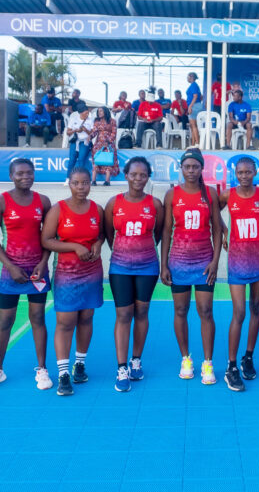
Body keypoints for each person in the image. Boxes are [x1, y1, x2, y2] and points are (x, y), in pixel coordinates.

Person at [0, 159, 52, 391]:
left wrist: (43, 262)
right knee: (5, 320)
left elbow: (49, 236)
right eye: (20, 173)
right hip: (9, 271)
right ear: (11, 176)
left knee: (38, 318)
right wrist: (10, 266)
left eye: (29, 173)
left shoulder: (43, 201)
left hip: (37, 271)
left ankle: (42, 369)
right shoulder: (0, 201)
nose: (25, 177)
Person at [160, 148, 222, 385]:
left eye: (195, 166)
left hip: (204, 263)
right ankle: (186, 359)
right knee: (180, 311)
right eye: (187, 167)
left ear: (201, 168)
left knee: (206, 311)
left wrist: (215, 261)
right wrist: (164, 264)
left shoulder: (210, 194)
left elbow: (217, 229)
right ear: (181, 168)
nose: (191, 171)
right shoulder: (172, 195)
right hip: (179, 262)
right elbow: (167, 231)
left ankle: (208, 362)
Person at [41, 167, 104, 396]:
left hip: (92, 270)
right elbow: (46, 240)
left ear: (90, 184)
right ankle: (63, 373)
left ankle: (80, 364)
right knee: (66, 321)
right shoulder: (58, 209)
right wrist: (75, 246)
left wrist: (97, 244)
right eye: (76, 183)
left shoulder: (97, 209)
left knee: (86, 317)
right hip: (66, 273)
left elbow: (102, 235)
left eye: (85, 182)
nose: (81, 187)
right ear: (70, 184)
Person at [104, 157, 164, 392]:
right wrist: (123, 252)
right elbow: (109, 233)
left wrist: (142, 251)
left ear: (148, 177)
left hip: (147, 266)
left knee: (141, 312)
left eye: (143, 175)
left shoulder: (155, 204)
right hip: (120, 267)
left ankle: (136, 360)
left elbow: (158, 233)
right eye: (134, 174)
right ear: (126, 175)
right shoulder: (114, 203)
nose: (138, 179)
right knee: (123, 314)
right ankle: (121, 368)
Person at [219, 157, 259, 391]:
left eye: (248, 172)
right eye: (240, 172)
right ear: (235, 174)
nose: (244, 176)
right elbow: (214, 214)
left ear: (255, 172)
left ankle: (248, 356)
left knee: (255, 308)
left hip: (258, 260)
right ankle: (231, 365)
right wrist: (225, 232)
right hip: (236, 261)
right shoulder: (228, 195)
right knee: (239, 312)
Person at [65, 102, 93, 184]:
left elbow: (92, 133)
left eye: (88, 113)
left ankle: (80, 179)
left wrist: (85, 130)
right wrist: (75, 130)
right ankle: (68, 178)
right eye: (85, 113)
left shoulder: (90, 120)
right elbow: (68, 132)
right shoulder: (74, 120)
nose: (87, 114)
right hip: (75, 141)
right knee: (72, 160)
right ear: (80, 113)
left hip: (84, 142)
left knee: (81, 160)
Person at [90, 106, 119, 186]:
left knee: (108, 161)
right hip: (98, 144)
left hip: (109, 144)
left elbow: (114, 133)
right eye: (98, 111)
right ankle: (93, 181)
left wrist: (108, 141)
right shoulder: (97, 121)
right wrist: (90, 136)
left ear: (105, 112)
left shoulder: (112, 121)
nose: (99, 113)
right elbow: (94, 131)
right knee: (96, 161)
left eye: (101, 111)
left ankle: (107, 181)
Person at [186, 73, 203, 147]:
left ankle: (197, 143)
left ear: (191, 77)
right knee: (193, 125)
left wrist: (190, 106)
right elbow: (201, 96)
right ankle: (193, 144)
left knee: (193, 125)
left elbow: (195, 96)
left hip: (194, 106)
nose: (187, 78)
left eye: (188, 77)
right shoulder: (196, 85)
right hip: (197, 105)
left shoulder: (193, 85)